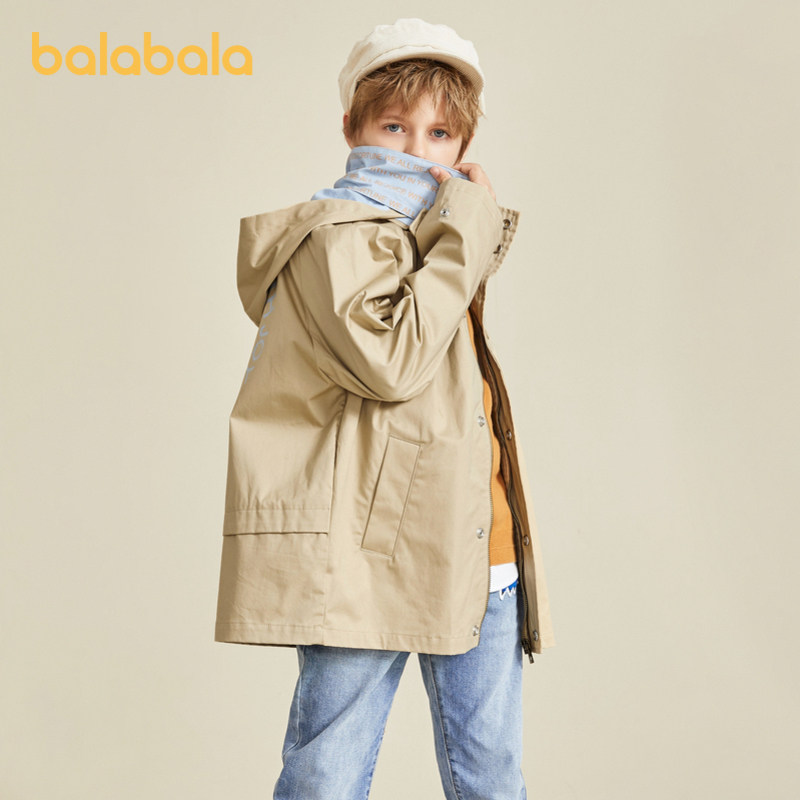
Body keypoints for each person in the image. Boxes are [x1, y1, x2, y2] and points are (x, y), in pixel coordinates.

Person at [214, 17, 555, 800]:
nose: (414, 150)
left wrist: (462, 232)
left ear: (460, 146)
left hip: (480, 544)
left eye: (439, 134)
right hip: (365, 559)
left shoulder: (429, 238)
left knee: (492, 776)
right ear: (352, 129)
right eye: (393, 127)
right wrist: (467, 225)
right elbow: (394, 362)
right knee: (327, 773)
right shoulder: (333, 240)